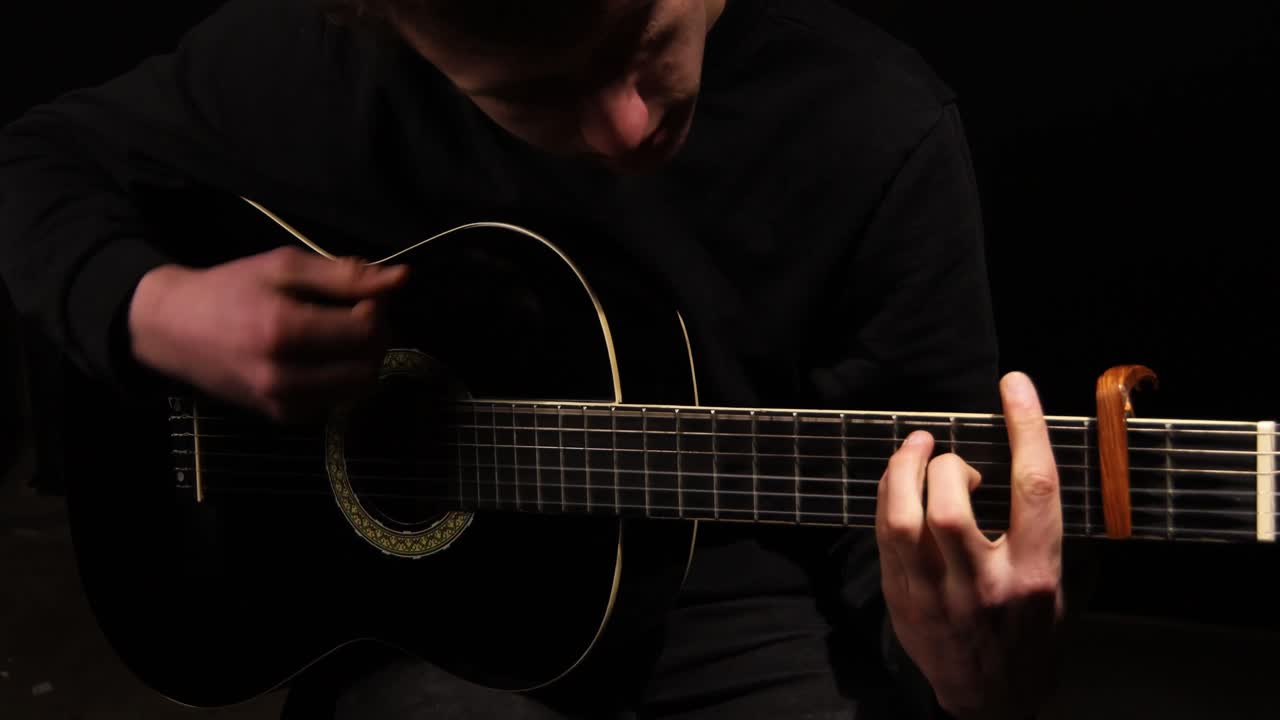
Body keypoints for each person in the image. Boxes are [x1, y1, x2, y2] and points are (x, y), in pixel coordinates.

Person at [0, 0, 1066, 717]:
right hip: (422, 631)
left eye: (642, 36)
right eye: (536, 96)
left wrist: (967, 674)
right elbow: (35, 160)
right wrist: (154, 308)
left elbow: (921, 516)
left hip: (734, 612)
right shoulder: (329, 62)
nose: (625, 129)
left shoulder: (872, 124)